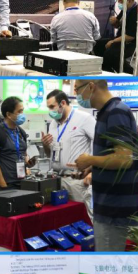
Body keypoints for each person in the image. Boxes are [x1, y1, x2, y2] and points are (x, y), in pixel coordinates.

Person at [71, 80, 138, 252]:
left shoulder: (116, 112)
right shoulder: (106, 112)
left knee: (108, 260)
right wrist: (93, 167)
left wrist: (90, 159)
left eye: (77, 90)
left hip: (114, 208)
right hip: (107, 204)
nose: (76, 95)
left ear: (91, 86)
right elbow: (114, 156)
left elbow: (124, 159)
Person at [41, 89, 96, 218]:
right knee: (61, 219)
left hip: (77, 181)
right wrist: (45, 145)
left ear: (63, 103)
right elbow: (51, 154)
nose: (50, 111)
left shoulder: (84, 118)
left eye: (52, 107)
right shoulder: (53, 124)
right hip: (56, 180)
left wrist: (93, 171)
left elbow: (102, 145)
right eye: (48, 108)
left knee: (83, 219)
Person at [92, 0, 138, 74]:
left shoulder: (137, 12)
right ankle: (107, 70)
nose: (119, 3)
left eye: (121, 1)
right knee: (97, 45)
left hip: (135, 43)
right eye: (118, 1)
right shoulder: (125, 9)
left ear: (129, 1)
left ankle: (129, 73)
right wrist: (114, 22)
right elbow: (117, 25)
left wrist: (113, 41)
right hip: (124, 39)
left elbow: (130, 36)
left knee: (111, 53)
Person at [0, 96, 36, 191]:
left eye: (23, 111)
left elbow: (23, 155)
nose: (22, 115)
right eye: (19, 112)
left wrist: (29, 163)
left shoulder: (21, 132)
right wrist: (4, 187)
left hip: (22, 183)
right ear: (8, 114)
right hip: (4, 185)